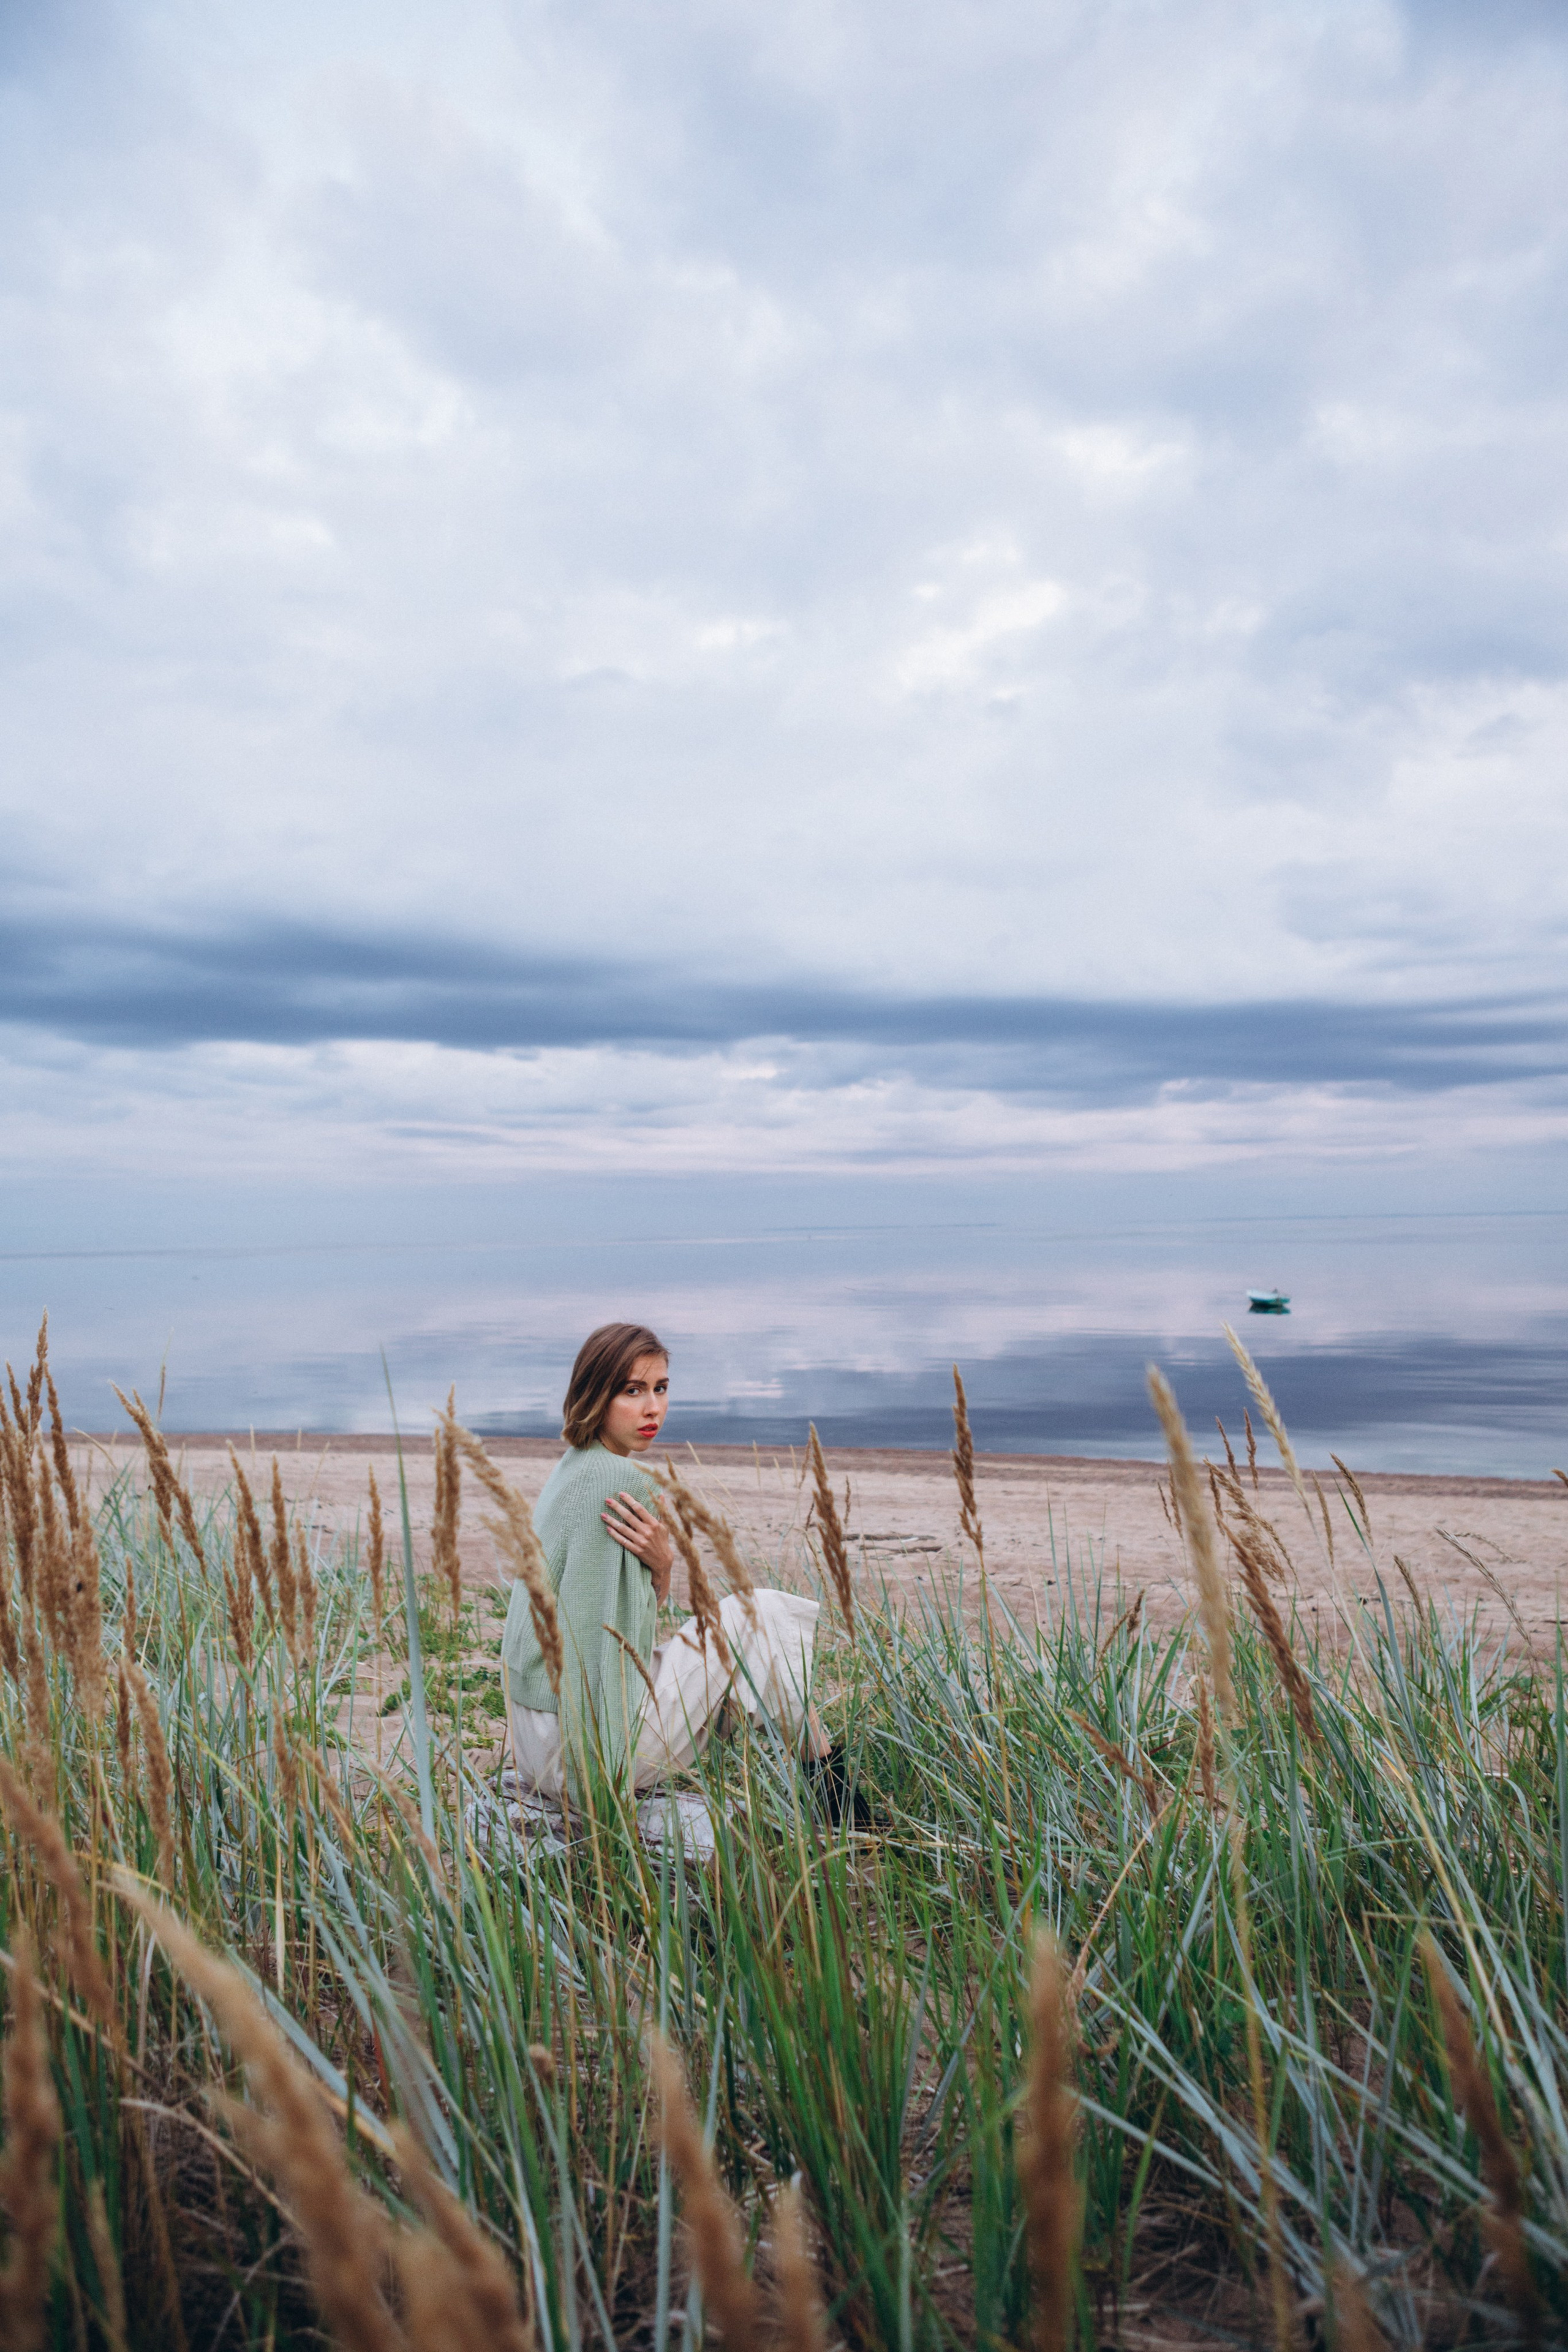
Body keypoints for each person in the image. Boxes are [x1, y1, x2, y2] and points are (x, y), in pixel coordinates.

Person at [500, 1322, 823, 1800]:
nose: (653, 1408)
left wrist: (663, 1567)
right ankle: (834, 1797)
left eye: (661, 1388)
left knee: (751, 1642)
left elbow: (594, 1631)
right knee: (764, 1619)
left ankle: (828, 1791)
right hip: (580, 1754)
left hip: (537, 1741)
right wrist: (606, 1791)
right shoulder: (621, 1483)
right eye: (632, 1391)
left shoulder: (575, 1465)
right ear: (596, 1395)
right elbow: (605, 1647)